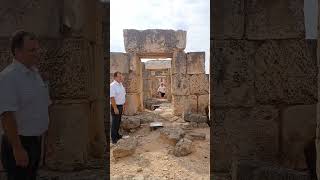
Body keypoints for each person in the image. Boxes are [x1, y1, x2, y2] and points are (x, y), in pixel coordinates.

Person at [0, 30, 51, 180]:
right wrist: (17, 148)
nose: (37, 53)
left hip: (35, 141)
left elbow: (43, 106)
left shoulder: (35, 74)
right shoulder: (8, 77)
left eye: (37, 49)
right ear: (17, 52)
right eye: (32, 50)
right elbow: (7, 114)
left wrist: (46, 141)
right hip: (19, 142)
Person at [110, 71, 127, 144]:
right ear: (115, 77)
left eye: (121, 76)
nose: (121, 78)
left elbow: (123, 95)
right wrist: (115, 108)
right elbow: (112, 97)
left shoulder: (121, 85)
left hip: (120, 106)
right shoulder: (112, 85)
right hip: (115, 106)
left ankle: (117, 135)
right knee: (114, 123)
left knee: (118, 122)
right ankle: (114, 139)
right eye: (119, 76)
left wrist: (123, 106)